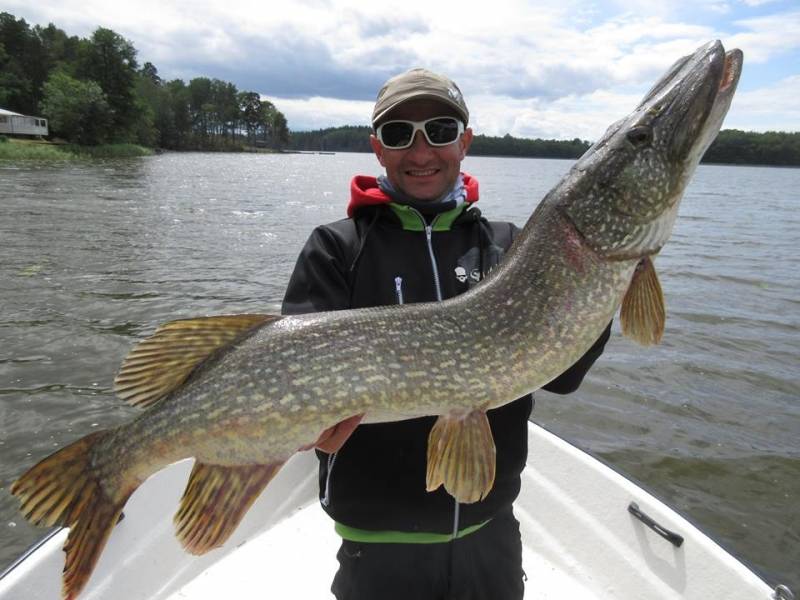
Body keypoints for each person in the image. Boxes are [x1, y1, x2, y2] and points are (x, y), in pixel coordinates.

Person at [282, 68, 611, 600]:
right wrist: (304, 426)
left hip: (490, 536)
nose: (420, 151)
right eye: (398, 135)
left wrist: (602, 279)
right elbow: (294, 381)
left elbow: (564, 376)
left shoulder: (508, 247)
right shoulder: (337, 249)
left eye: (438, 130)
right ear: (377, 149)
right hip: (378, 546)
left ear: (464, 141)